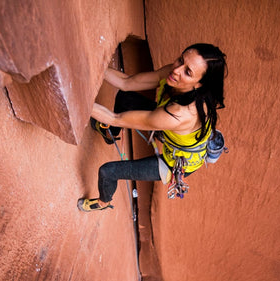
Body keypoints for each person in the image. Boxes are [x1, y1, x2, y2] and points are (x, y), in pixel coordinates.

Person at [78, 43, 227, 212]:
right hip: (170, 128)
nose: (177, 70)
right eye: (181, 60)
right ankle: (109, 133)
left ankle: (103, 202)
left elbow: (116, 118)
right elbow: (126, 82)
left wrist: (75, 96)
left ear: (199, 84)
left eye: (188, 72)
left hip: (174, 161)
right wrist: (88, 62)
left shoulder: (178, 114)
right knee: (125, 96)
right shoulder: (174, 74)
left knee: (108, 172)